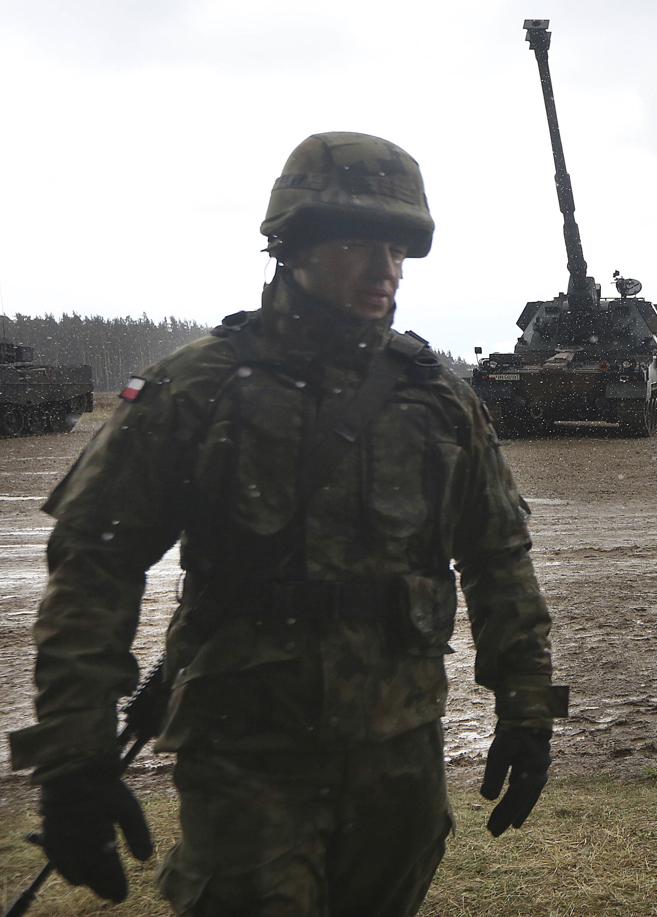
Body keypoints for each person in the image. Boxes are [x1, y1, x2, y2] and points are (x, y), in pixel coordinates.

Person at [8, 132, 566, 915]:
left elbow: (499, 558)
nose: (386, 268)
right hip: (245, 756)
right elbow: (93, 569)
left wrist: (528, 707)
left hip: (398, 756)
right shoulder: (196, 388)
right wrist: (75, 757)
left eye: (399, 245)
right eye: (358, 242)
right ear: (293, 245)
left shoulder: (438, 397)